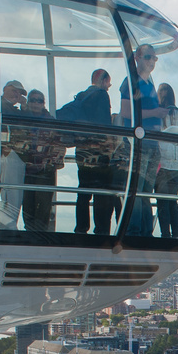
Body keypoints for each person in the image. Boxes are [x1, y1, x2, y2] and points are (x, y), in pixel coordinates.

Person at [58, 69, 122, 235]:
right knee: (102, 192)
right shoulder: (101, 95)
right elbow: (104, 125)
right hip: (99, 152)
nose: (109, 86)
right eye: (109, 82)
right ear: (103, 80)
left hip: (83, 153)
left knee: (84, 191)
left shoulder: (81, 96)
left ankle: (81, 228)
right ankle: (101, 230)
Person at [117, 44, 168, 237]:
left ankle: (146, 231)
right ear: (137, 57)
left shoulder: (149, 84)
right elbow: (125, 111)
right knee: (137, 188)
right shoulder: (131, 82)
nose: (151, 61)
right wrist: (155, 113)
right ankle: (134, 231)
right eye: (148, 57)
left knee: (146, 190)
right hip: (139, 144)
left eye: (154, 58)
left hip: (152, 144)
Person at [20, 89, 63, 233]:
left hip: (45, 171)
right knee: (27, 205)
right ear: (28, 102)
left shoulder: (50, 122)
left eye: (39, 100)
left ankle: (39, 237)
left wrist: (51, 164)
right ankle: (28, 234)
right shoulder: (22, 119)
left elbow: (60, 144)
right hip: (25, 170)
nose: (36, 103)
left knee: (43, 206)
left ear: (43, 103)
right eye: (33, 100)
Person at [153, 82, 178, 239]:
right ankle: (177, 234)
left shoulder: (160, 115)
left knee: (162, 202)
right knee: (173, 201)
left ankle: (165, 234)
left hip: (163, 164)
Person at [0, 80, 26, 229]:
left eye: (19, 93)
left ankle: (5, 226)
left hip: (6, 155)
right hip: (5, 155)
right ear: (5, 88)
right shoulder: (1, 106)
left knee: (9, 195)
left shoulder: (13, 109)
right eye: (15, 90)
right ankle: (7, 227)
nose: (17, 94)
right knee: (12, 194)